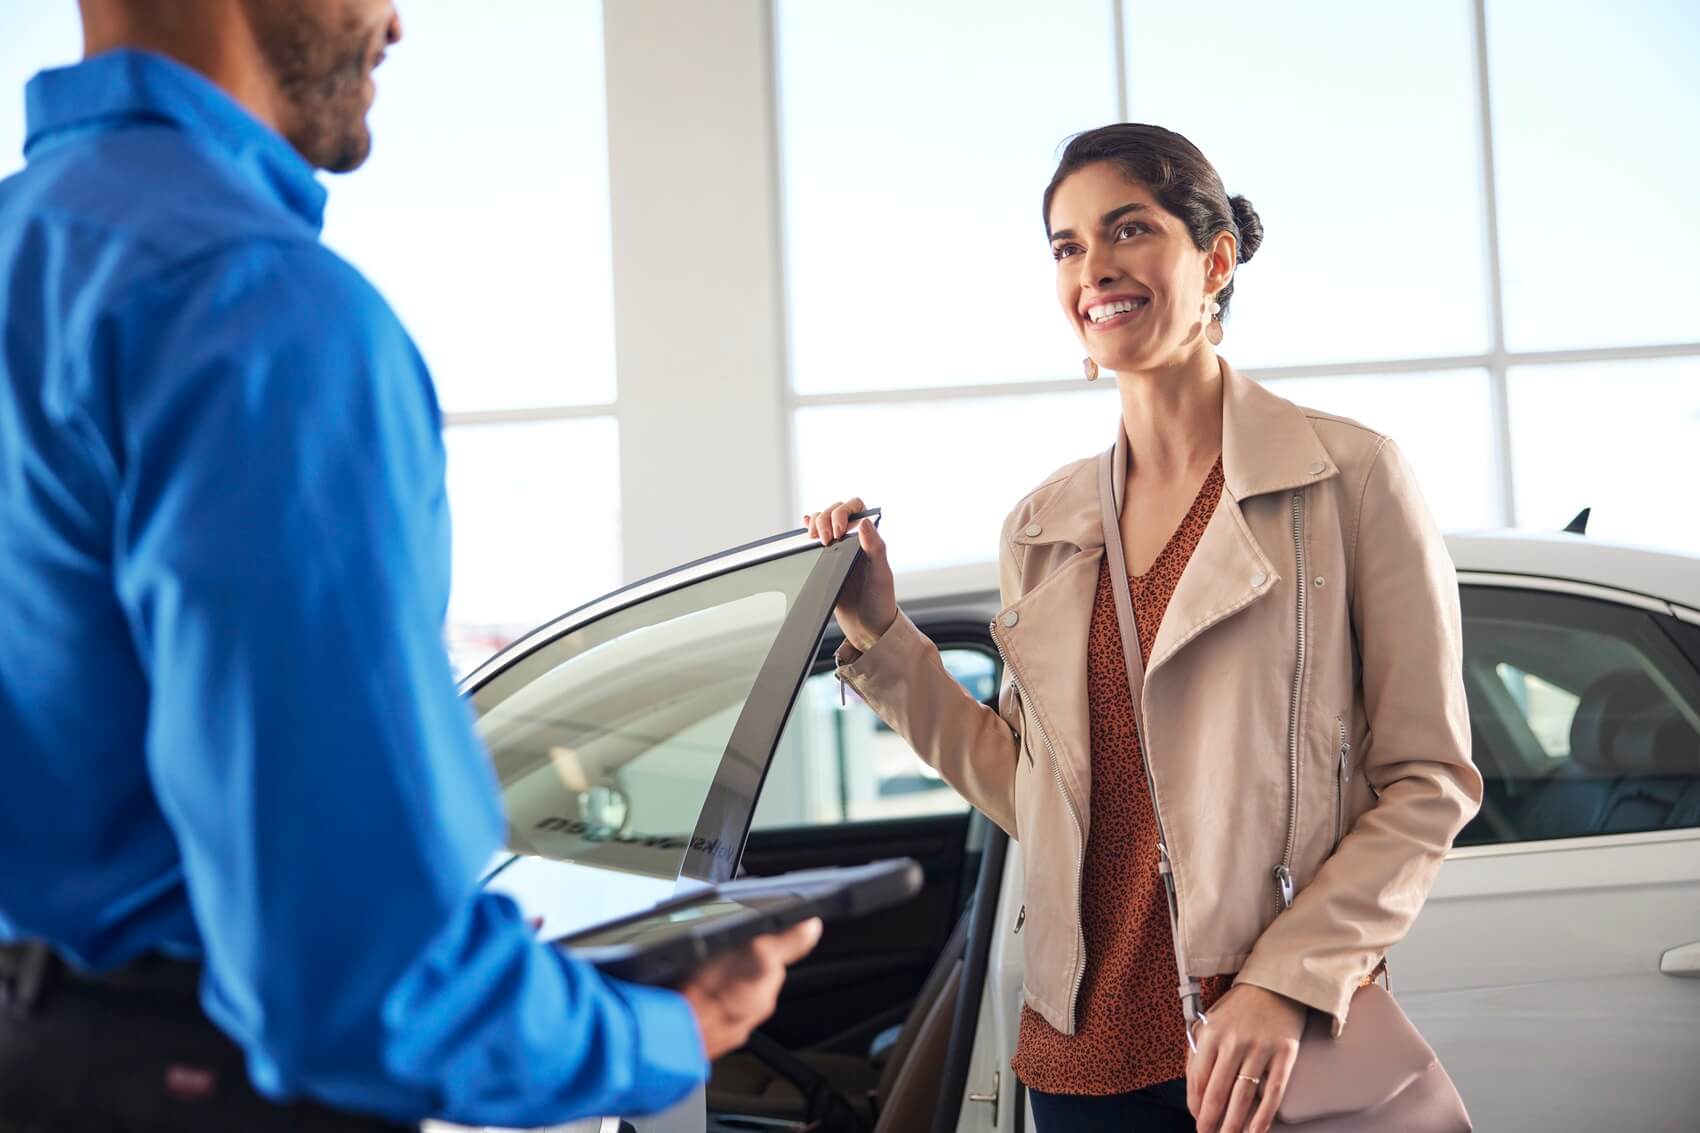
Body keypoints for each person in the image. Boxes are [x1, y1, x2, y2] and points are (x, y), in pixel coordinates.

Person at [0, 1, 819, 1129]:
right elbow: (363, 983)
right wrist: (659, 1029)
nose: (394, 21)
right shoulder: (260, 311)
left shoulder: (28, 254)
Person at [807, 124, 1482, 1133]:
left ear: (1211, 259)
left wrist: (1286, 979)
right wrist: (882, 634)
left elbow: (1427, 782)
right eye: (1066, 244)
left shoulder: (1345, 478)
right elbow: (1040, 797)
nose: (1094, 267)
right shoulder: (1042, 526)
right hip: (1077, 1061)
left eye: (1126, 229)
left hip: (1260, 1051)